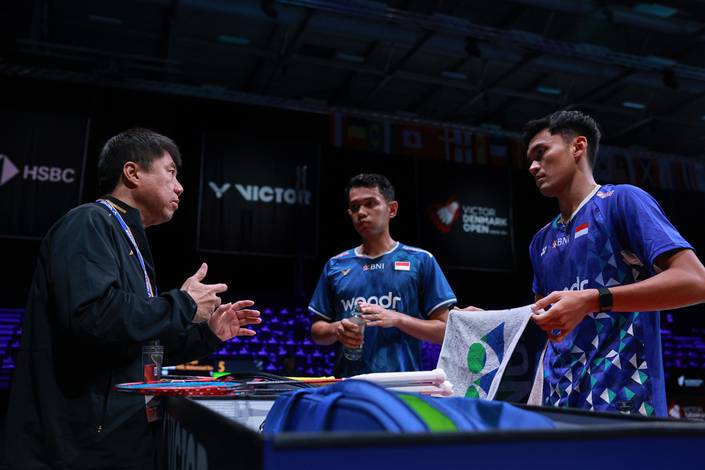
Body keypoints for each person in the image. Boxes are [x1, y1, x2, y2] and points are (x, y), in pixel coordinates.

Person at [5, 128, 261, 469]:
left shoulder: (128, 240)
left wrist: (208, 334)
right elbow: (93, 317)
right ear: (132, 172)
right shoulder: (88, 222)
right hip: (76, 447)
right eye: (171, 172)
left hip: (114, 440)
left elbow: (137, 342)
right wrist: (183, 304)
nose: (180, 187)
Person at [524, 110, 705, 416]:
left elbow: (696, 281)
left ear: (578, 147)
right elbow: (545, 323)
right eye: (530, 159)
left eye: (541, 152)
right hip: (561, 409)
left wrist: (593, 300)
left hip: (626, 403)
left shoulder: (621, 202)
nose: (532, 166)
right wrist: (488, 321)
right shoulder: (541, 241)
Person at [309, 174, 456, 377]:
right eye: (355, 207)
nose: (361, 212)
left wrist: (397, 318)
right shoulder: (335, 265)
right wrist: (337, 329)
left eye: (370, 203)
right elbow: (317, 331)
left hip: (403, 387)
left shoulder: (421, 260)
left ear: (392, 209)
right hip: (349, 385)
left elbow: (445, 331)